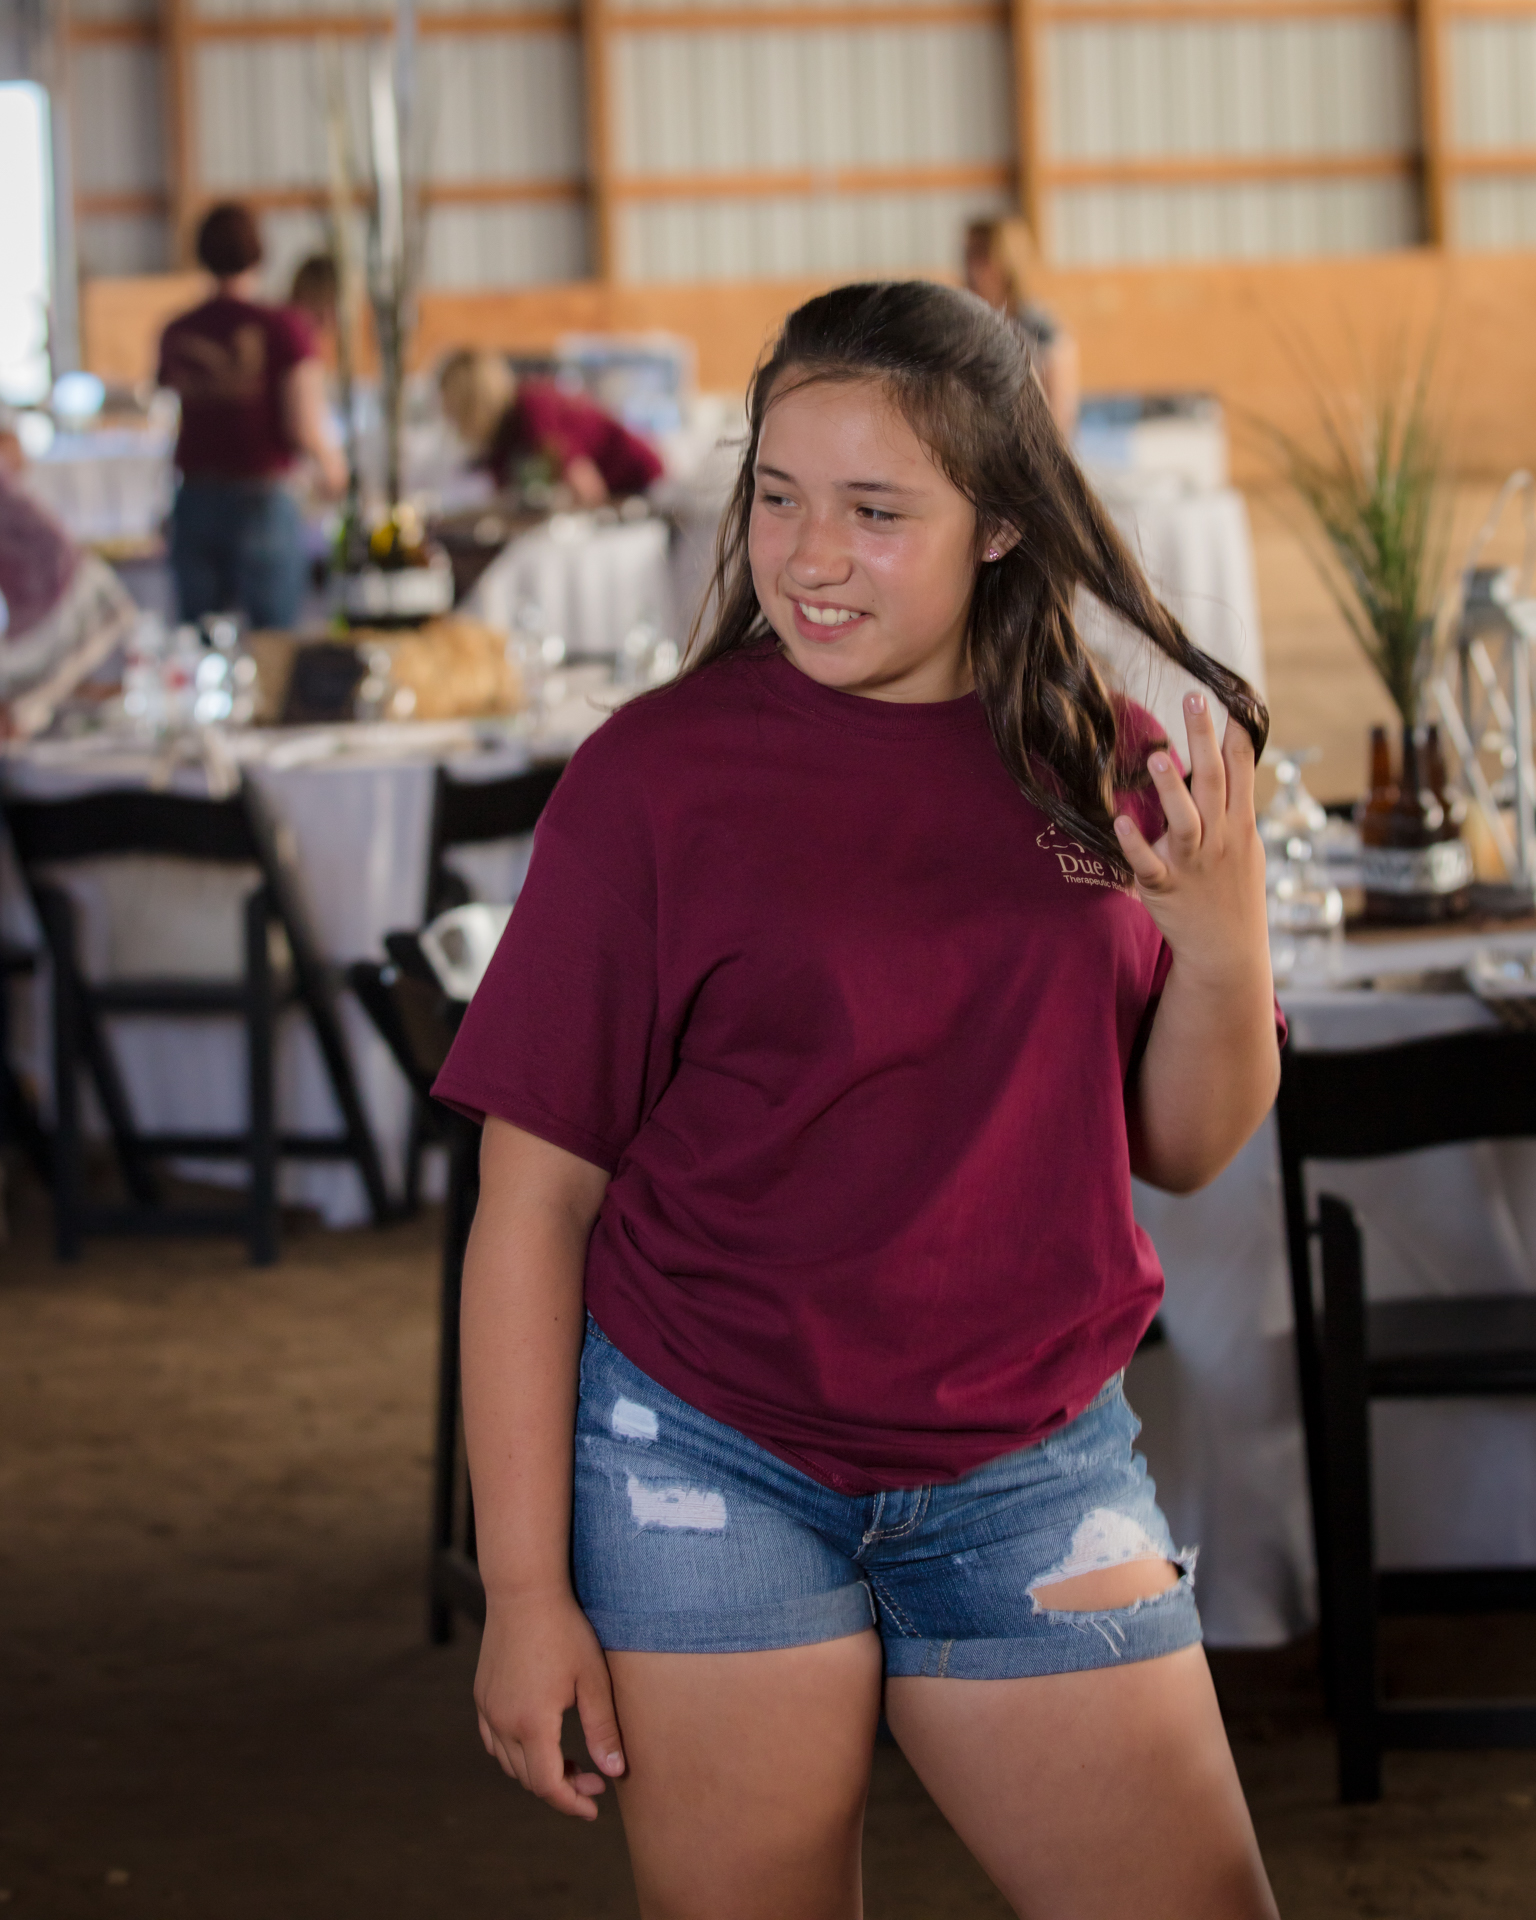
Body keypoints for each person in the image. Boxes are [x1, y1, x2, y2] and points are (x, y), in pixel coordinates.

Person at [432, 281, 1282, 1920]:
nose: (810, 557)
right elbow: (532, 1204)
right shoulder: (651, 780)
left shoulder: (1095, 764)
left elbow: (1182, 1146)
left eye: (876, 511)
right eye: (777, 497)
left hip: (1033, 1464)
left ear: (999, 526)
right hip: (706, 1458)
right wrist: (525, 1591)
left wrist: (1224, 951)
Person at [157, 204, 346, 630]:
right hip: (262, 496)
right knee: (272, 642)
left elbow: (168, 415)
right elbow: (303, 424)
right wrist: (333, 469)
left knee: (201, 640)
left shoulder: (177, 332)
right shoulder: (284, 328)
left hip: (195, 496)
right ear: (259, 253)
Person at [437, 348, 663, 507]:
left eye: (455, 411)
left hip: (641, 484)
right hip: (619, 493)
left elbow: (586, 487)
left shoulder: (532, 410)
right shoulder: (500, 442)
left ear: (471, 403)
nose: (452, 421)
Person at [964, 216, 1081, 437]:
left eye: (981, 255)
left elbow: (1059, 418)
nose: (970, 267)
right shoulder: (963, 328)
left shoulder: (1043, 332)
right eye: (968, 254)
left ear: (1006, 261)